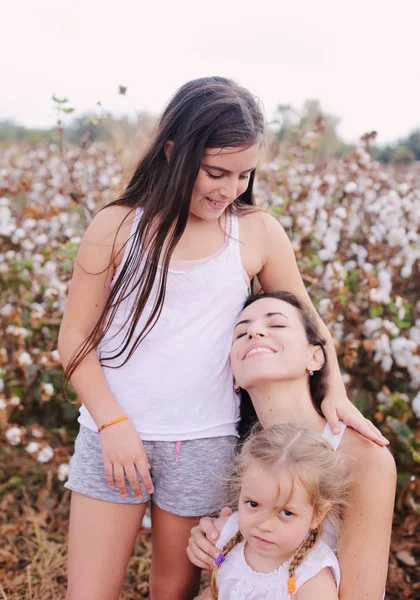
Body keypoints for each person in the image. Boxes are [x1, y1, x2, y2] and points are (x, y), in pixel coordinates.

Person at [58, 77, 388, 600]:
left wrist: (336, 392)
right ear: (173, 151)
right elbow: (74, 339)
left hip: (205, 445)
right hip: (111, 436)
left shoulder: (256, 231)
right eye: (215, 172)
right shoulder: (117, 225)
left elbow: (308, 322)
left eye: (243, 175)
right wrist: (113, 423)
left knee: (175, 591)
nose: (229, 188)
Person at [187, 292, 396, 600]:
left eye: (277, 325)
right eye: (241, 333)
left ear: (316, 356)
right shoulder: (239, 453)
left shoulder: (363, 457)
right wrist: (215, 544)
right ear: (234, 377)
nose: (255, 332)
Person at [199, 422, 352, 599]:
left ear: (317, 515)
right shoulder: (229, 537)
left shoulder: (311, 577)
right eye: (253, 504)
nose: (264, 525)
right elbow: (215, 590)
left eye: (286, 513)